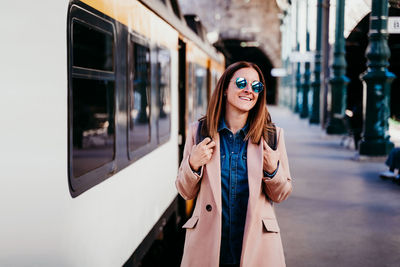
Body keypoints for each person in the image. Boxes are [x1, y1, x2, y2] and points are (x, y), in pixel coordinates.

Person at [176, 61, 293, 267]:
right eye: (241, 83)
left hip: (256, 244)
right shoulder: (199, 131)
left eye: (256, 86)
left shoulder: (272, 136)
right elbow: (186, 192)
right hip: (210, 242)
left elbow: (281, 194)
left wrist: (273, 170)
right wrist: (193, 164)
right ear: (224, 89)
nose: (249, 90)